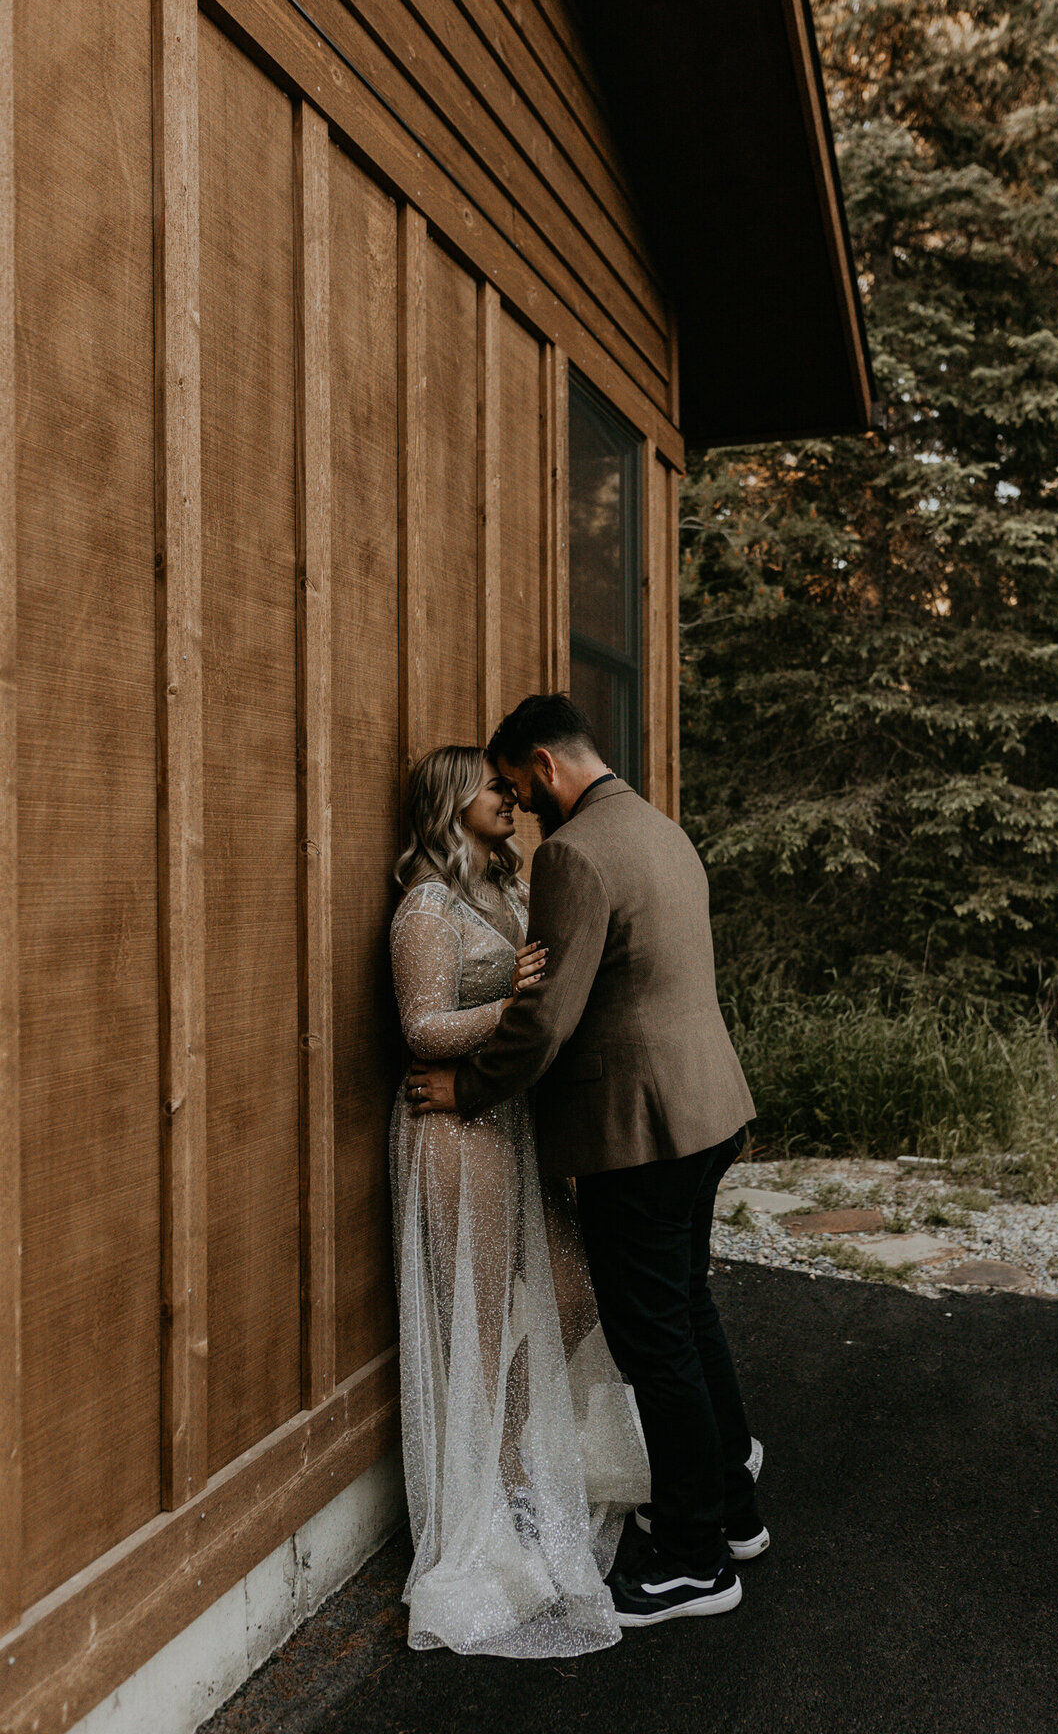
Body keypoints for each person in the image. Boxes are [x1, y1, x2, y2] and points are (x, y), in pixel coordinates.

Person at [408, 696, 766, 1630]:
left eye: (519, 785)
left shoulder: (575, 854)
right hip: (707, 1107)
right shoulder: (657, 827)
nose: (520, 807)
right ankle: (730, 1506)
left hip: (639, 1129)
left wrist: (466, 1090)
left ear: (544, 764)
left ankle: (694, 1560)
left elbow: (547, 1020)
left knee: (656, 1339)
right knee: (686, 1309)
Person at [388, 745, 649, 1658]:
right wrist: (517, 1010)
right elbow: (421, 1027)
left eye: (511, 782)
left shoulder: (508, 889)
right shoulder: (426, 907)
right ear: (452, 802)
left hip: (510, 1123)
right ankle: (502, 1494)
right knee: (488, 1321)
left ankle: (526, 1465)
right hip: (454, 1134)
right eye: (493, 787)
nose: (510, 796)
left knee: (572, 1293)